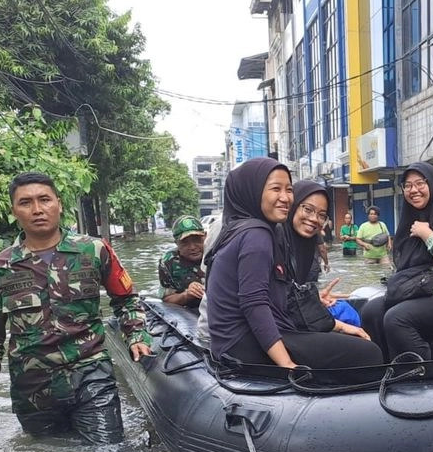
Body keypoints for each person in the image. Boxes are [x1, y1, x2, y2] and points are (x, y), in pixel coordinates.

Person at [0, 172, 152, 443]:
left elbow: (126, 298)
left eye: (44, 200)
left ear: (58, 204)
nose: (37, 210)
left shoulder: (94, 251)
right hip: (32, 389)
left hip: (90, 375)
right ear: (14, 211)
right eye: (26, 203)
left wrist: (136, 335)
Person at [204, 158, 381, 369]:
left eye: (289, 190)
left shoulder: (244, 230)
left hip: (236, 341)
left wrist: (332, 319)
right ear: (253, 190)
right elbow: (254, 303)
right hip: (243, 343)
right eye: (275, 189)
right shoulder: (257, 235)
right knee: (369, 354)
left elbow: (281, 298)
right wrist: (287, 364)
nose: (285, 197)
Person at [359, 162, 433, 362]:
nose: (414, 190)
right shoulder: (408, 219)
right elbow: (402, 263)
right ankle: (382, 371)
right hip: (415, 289)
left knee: (396, 318)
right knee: (370, 311)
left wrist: (427, 234)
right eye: (408, 185)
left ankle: (420, 377)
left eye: (420, 183)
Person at [286, 180, 379, 348]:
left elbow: (293, 295)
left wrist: (316, 297)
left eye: (322, 215)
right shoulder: (274, 244)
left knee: (344, 309)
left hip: (296, 321)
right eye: (307, 209)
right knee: (366, 346)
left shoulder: (303, 247)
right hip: (287, 331)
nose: (314, 219)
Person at [159, 215, 206, 308]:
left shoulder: (217, 253)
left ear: (205, 237)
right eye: (185, 242)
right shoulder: (168, 261)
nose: (192, 247)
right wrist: (187, 295)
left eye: (196, 240)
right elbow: (167, 299)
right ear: (176, 243)